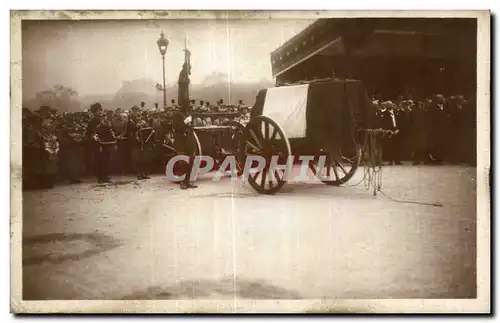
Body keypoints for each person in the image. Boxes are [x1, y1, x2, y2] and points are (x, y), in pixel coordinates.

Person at [172, 110, 197, 189]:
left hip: (189, 141)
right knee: (183, 163)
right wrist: (185, 122)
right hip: (181, 142)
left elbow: (190, 127)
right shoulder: (177, 114)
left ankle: (188, 181)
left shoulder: (187, 113)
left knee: (190, 163)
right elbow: (177, 127)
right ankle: (183, 182)